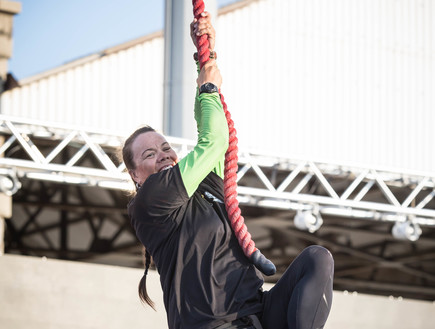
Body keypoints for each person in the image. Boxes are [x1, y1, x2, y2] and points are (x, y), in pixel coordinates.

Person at [123, 12, 334, 329]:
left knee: (317, 259)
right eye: (149, 154)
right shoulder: (150, 201)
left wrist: (203, 58)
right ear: (136, 176)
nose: (163, 155)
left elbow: (212, 133)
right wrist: (207, 84)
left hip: (256, 315)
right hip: (213, 325)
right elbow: (213, 141)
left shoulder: (206, 184)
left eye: (166, 147)